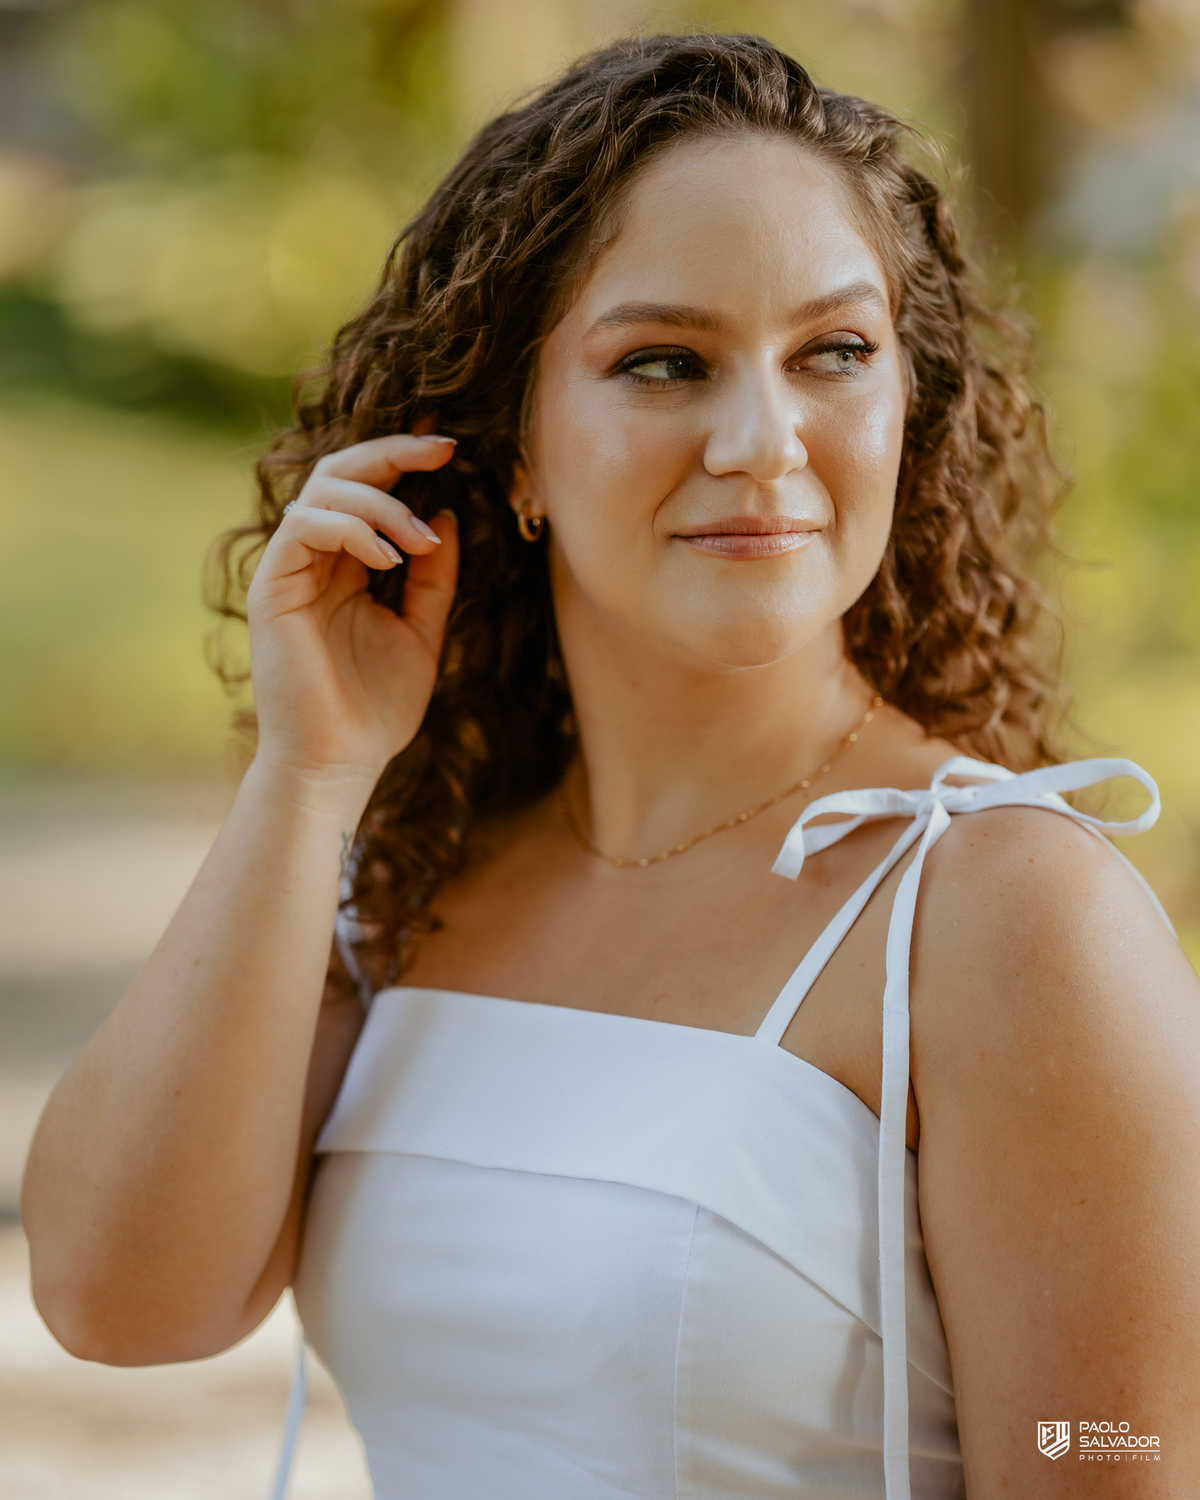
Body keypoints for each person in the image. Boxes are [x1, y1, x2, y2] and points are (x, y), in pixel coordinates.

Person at [21, 32, 1200, 1500]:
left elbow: (1120, 1464)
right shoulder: (418, 869)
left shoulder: (1006, 914)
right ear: (514, 445)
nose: (764, 442)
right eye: (666, 362)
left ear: (912, 401)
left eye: (834, 353)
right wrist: (310, 778)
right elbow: (116, 1301)